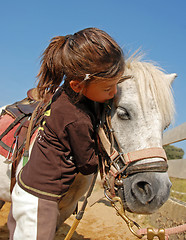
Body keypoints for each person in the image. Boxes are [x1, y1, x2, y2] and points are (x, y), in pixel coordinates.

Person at [8, 27, 125, 240]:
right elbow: (87, 164)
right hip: (41, 199)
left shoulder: (63, 95)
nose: (114, 93)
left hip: (26, 189)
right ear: (77, 85)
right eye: (108, 88)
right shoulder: (78, 120)